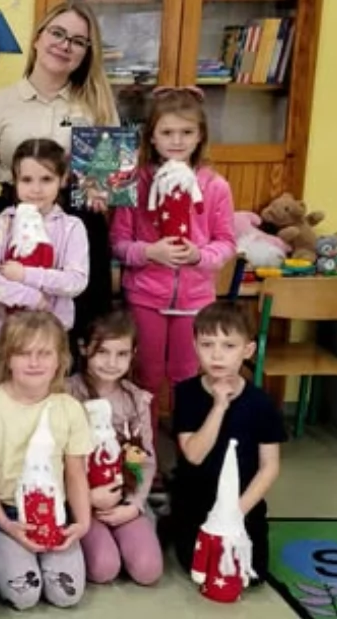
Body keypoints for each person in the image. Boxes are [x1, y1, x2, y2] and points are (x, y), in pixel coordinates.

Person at [0, 1, 119, 355]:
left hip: (77, 225)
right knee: (14, 329)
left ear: (86, 53)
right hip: (15, 225)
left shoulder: (97, 105)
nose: (65, 45)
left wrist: (101, 189)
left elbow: (108, 187)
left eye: (78, 41)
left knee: (79, 332)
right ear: (38, 38)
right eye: (58, 33)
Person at [111, 87, 236, 431]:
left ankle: (187, 449)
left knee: (186, 377)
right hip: (146, 297)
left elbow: (226, 243)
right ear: (152, 136)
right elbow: (119, 242)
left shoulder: (214, 186)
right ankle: (145, 451)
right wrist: (150, 252)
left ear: (200, 136)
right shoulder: (135, 183)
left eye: (186, 132)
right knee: (146, 376)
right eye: (167, 132)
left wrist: (199, 256)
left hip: (194, 300)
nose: (177, 141)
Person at [0, 311, 92, 610]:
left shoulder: (70, 409)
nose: (34, 362)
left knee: (66, 594)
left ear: (60, 359)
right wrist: (6, 524)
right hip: (7, 513)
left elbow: (75, 472)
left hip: (55, 512)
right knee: (24, 595)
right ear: (7, 358)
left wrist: (82, 523)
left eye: (44, 353)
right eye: (24, 353)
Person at [171, 301, 284, 582]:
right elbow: (194, 455)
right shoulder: (186, 393)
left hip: (240, 503)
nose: (217, 355)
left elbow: (269, 466)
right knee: (200, 569)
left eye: (228, 346)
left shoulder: (261, 403)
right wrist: (219, 406)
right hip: (197, 502)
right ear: (195, 346)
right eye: (207, 345)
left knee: (252, 574)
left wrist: (236, 512)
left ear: (248, 350)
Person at [65, 310, 163, 585]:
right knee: (104, 568)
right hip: (82, 502)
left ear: (133, 354)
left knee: (148, 570)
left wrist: (134, 504)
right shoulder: (66, 394)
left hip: (124, 497)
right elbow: (57, 459)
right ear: (84, 348)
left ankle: (137, 527)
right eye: (102, 352)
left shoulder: (136, 400)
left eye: (121, 354)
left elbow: (146, 459)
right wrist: (86, 498)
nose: (111, 362)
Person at [0, 138, 89, 336]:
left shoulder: (72, 227)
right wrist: (29, 297)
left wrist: (26, 275)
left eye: (46, 179)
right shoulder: (2, 223)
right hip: (2, 332)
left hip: (51, 333)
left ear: (63, 179)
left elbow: (75, 281)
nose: (36, 189)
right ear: (15, 181)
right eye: (26, 180)